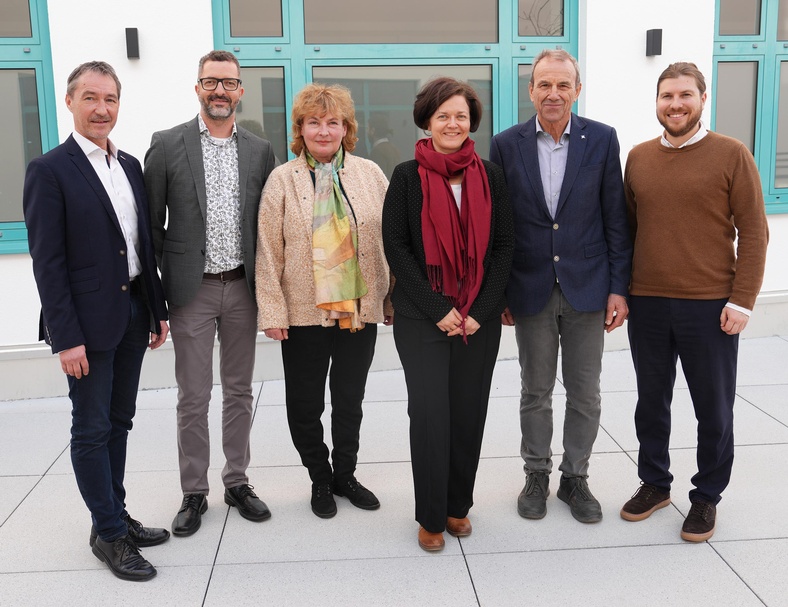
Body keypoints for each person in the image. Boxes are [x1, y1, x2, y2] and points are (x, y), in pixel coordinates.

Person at [23, 61, 170, 581]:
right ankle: (108, 535)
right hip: (85, 326)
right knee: (90, 429)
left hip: (132, 314)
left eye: (109, 99)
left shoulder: (129, 164)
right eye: (90, 97)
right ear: (69, 102)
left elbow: (140, 246)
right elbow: (48, 262)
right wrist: (66, 339)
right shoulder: (50, 169)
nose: (101, 108)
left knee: (120, 422)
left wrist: (156, 310)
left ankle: (115, 514)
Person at [620, 62, 769, 542]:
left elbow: (755, 232)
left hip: (710, 305)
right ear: (657, 102)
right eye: (667, 96)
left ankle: (706, 496)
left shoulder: (732, 154)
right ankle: (655, 483)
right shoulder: (639, 157)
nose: (675, 104)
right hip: (647, 304)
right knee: (651, 402)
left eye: (685, 94)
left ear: (703, 99)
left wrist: (742, 300)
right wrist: (621, 292)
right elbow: (627, 232)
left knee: (714, 407)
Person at [489, 49, 631, 524]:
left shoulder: (602, 140)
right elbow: (499, 225)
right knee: (536, 390)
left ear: (577, 89)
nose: (553, 93)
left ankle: (575, 478)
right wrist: (502, 291)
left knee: (585, 391)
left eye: (563, 85)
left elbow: (616, 218)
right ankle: (536, 474)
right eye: (544, 85)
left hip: (589, 287)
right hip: (528, 287)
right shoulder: (506, 145)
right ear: (530, 90)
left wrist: (619, 287)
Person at [144, 50, 276, 536]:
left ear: (240, 90)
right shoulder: (166, 143)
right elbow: (149, 226)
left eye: (228, 83)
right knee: (193, 396)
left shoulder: (261, 150)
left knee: (240, 391)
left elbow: (269, 227)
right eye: (210, 82)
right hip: (190, 291)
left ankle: (237, 481)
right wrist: (156, 295)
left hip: (242, 286)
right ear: (197, 88)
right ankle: (194, 491)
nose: (219, 91)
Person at [383, 77, 514, 551]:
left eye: (460, 115)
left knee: (468, 413)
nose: (452, 123)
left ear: (471, 121)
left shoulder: (491, 175)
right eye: (443, 116)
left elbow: (503, 246)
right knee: (431, 416)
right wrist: (440, 308)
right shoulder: (404, 176)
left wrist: (479, 310)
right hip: (424, 319)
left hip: (477, 320)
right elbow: (396, 249)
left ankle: (459, 506)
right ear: (427, 121)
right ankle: (431, 516)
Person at [256, 83, 392, 519]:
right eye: (314, 122)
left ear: (346, 128)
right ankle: (319, 478)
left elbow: (392, 241)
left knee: (349, 399)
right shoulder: (282, 179)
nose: (323, 130)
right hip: (302, 313)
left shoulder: (370, 174)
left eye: (333, 122)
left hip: (359, 310)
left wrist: (390, 299)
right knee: (305, 403)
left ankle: (345, 475)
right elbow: (267, 249)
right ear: (300, 128)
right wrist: (272, 311)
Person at [368, 114, 400, 179]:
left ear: (373, 130)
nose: (367, 131)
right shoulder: (394, 149)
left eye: (368, 128)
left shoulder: (377, 151)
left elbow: (378, 179)